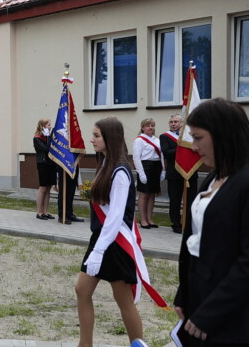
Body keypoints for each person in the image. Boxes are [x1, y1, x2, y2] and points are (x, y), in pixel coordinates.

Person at [174, 99, 249, 346]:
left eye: (198, 138)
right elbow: (194, 242)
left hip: (239, 318)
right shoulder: (213, 178)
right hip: (203, 303)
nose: (194, 146)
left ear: (222, 135)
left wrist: (211, 312)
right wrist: (184, 294)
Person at [76, 117, 143, 347]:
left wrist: (99, 250)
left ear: (109, 138)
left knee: (123, 300)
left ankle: (138, 343)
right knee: (82, 290)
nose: (91, 139)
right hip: (102, 238)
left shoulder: (121, 171)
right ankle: (85, 345)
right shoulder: (105, 164)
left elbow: (115, 217)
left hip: (115, 243)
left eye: (96, 136)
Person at [159, 114, 198, 234]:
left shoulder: (189, 136)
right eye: (171, 122)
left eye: (176, 122)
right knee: (175, 200)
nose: (173, 124)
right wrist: (183, 149)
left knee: (191, 200)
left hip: (190, 172)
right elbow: (166, 153)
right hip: (174, 173)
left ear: (182, 123)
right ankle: (176, 223)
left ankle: (189, 223)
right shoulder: (164, 137)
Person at [132, 118, 164, 229]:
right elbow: (136, 158)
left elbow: (162, 155)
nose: (151, 127)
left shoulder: (157, 139)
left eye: (152, 125)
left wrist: (163, 170)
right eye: (148, 125)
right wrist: (141, 173)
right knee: (144, 194)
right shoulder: (139, 140)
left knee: (152, 194)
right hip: (145, 167)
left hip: (156, 167)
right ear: (142, 127)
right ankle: (143, 219)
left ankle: (150, 219)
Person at [33, 118, 56, 220]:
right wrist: (48, 138)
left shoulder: (48, 137)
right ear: (42, 126)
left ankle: (46, 211)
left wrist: (49, 137)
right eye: (48, 125)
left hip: (50, 164)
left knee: (48, 189)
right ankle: (39, 212)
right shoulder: (37, 138)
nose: (50, 127)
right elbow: (46, 149)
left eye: (50, 125)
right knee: (43, 188)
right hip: (42, 164)